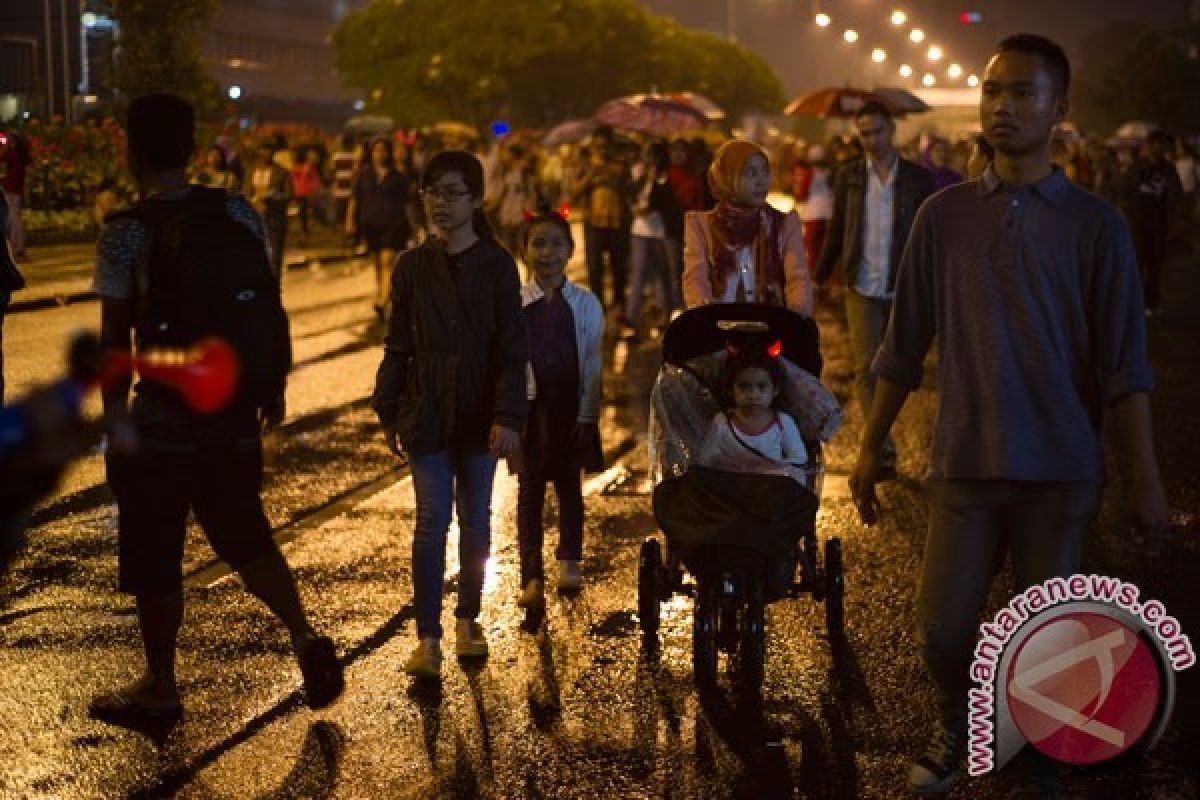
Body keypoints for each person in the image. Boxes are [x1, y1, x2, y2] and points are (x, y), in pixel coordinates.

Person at [847, 35, 1169, 797]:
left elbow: (1126, 369)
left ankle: (1040, 752)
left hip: (1059, 470)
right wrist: (870, 446)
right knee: (942, 631)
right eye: (993, 91)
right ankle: (961, 728)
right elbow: (902, 346)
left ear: (1061, 110)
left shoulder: (1098, 228)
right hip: (962, 461)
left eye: (1023, 93)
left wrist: (1143, 480)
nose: (1003, 106)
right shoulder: (942, 217)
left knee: (1045, 637)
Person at [90, 94, 343, 726]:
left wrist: (115, 420)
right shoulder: (235, 210)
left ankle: (160, 685)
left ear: (135, 149)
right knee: (243, 534)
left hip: (164, 421)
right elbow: (261, 300)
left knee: (154, 553)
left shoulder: (126, 230)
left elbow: (114, 337)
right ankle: (303, 633)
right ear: (192, 145)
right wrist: (272, 386)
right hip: (232, 414)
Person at [372, 150, 528, 679]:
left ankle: (468, 619)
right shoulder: (411, 267)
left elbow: (511, 347)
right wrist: (388, 409)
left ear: (477, 199)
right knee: (430, 521)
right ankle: (428, 636)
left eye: (454, 192)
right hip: (427, 410)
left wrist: (507, 416)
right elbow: (397, 344)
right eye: (433, 192)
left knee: (477, 518)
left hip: (481, 410)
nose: (441, 203)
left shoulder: (498, 264)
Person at [814, 102, 933, 480]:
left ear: (891, 131)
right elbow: (838, 228)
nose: (871, 140)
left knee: (898, 367)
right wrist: (820, 275)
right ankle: (881, 447)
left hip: (903, 284)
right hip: (860, 282)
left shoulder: (916, 178)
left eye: (877, 131)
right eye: (864, 133)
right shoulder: (848, 175)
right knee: (864, 366)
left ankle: (882, 437)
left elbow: (927, 234)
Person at [515, 212, 605, 610]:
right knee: (530, 491)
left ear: (570, 250)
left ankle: (569, 558)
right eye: (538, 244)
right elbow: (510, 360)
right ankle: (530, 574)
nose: (547, 253)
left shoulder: (584, 304)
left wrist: (588, 413)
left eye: (556, 244)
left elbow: (593, 360)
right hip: (532, 413)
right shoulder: (516, 303)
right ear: (525, 250)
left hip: (571, 407)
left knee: (570, 487)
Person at [681, 139, 812, 314]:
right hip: (718, 328)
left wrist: (799, 312)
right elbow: (695, 279)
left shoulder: (784, 224)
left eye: (765, 172)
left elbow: (797, 278)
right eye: (751, 174)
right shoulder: (701, 226)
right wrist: (701, 310)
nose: (761, 181)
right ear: (726, 178)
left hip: (772, 327)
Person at [698, 348, 807, 483]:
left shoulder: (782, 422)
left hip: (769, 485)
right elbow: (706, 460)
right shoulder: (722, 421)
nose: (753, 395)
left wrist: (768, 468)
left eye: (761, 387)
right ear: (731, 390)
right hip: (729, 486)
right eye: (743, 387)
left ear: (775, 390)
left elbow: (798, 458)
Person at [347, 137, 412, 320]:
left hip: (393, 224)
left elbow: (407, 204)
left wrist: (414, 227)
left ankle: (382, 301)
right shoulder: (364, 175)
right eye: (376, 151)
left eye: (383, 150)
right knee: (377, 263)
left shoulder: (398, 177)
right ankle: (382, 292)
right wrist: (350, 222)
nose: (380, 154)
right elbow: (355, 199)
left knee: (387, 262)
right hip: (370, 224)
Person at [1120, 129, 1182, 317]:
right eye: (1157, 144)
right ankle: (1136, 302)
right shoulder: (1135, 168)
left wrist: (1172, 219)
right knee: (1137, 264)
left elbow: (1175, 194)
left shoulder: (1169, 169)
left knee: (1155, 264)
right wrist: (1129, 215)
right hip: (1138, 224)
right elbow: (1124, 193)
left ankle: (1152, 302)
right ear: (1149, 146)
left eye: (1163, 145)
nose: (1161, 148)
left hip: (1159, 225)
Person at [625, 141, 682, 334]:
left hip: (659, 232)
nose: (648, 161)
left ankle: (664, 314)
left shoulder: (665, 178)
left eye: (652, 158)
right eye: (646, 157)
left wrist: (646, 208)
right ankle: (631, 317)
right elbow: (631, 196)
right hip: (639, 232)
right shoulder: (638, 175)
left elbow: (662, 202)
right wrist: (635, 207)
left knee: (662, 275)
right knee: (639, 274)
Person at [573, 141, 631, 320]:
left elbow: (628, 189)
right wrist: (592, 176)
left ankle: (619, 304)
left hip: (616, 223)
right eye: (598, 146)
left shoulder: (620, 166)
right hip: (593, 224)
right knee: (594, 268)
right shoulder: (586, 167)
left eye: (605, 146)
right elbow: (574, 192)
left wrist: (611, 177)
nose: (601, 150)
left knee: (618, 266)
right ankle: (598, 306)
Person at [245, 141, 293, 283]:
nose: (265, 154)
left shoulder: (281, 172)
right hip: (253, 220)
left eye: (268, 151)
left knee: (274, 258)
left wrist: (272, 198)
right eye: (262, 150)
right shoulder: (250, 171)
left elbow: (289, 195)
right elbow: (245, 193)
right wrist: (252, 201)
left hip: (274, 219)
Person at [794, 145, 834, 276]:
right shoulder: (831, 173)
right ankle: (825, 277)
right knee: (826, 248)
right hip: (829, 212)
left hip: (812, 213)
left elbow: (802, 194)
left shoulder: (809, 175)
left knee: (812, 248)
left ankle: (813, 275)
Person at [1, 131, 30, 258]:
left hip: (11, 188)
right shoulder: (21, 154)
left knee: (13, 218)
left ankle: (17, 246)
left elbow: (1, 156)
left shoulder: (14, 154)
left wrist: (5, 146)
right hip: (15, 188)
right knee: (14, 217)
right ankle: (17, 246)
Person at [291, 147, 324, 242]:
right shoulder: (307, 165)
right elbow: (313, 178)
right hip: (304, 192)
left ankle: (305, 232)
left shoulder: (302, 165)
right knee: (304, 214)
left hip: (302, 192)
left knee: (304, 214)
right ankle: (305, 232)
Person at [330, 133, 359, 235]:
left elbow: (332, 173)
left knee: (340, 215)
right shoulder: (354, 157)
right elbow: (355, 173)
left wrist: (333, 189)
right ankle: (350, 234)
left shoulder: (335, 157)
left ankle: (342, 235)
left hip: (339, 190)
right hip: (351, 190)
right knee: (350, 214)